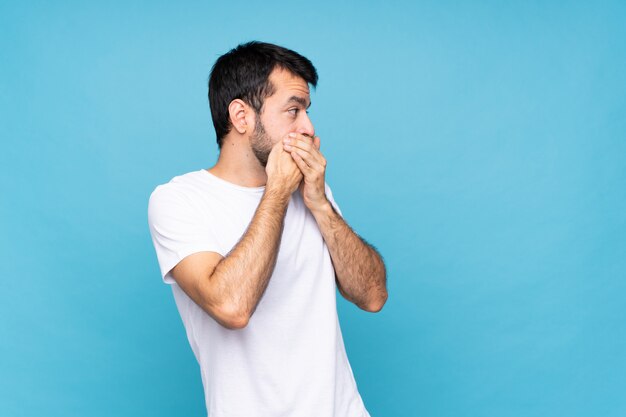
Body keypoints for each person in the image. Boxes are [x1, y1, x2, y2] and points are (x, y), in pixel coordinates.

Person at [147, 41, 388, 417]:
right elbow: (231, 307)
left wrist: (320, 203)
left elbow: (373, 296)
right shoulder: (179, 201)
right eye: (293, 111)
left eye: (307, 112)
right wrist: (276, 193)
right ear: (242, 117)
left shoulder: (311, 192)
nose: (308, 128)